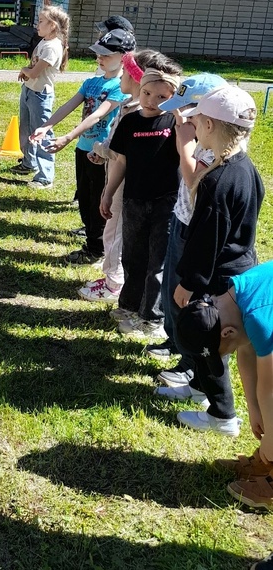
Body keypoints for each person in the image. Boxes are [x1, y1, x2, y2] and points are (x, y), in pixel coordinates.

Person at [166, 87, 264, 435]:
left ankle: (222, 414)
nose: (192, 125)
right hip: (238, 265)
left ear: (208, 125)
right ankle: (197, 388)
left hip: (216, 276)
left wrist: (189, 283)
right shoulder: (245, 168)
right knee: (205, 338)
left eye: (195, 121)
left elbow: (208, 240)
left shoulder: (219, 182)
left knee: (208, 338)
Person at [174, 280, 273, 570]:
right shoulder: (233, 297)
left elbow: (271, 386)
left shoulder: (257, 315)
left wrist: (271, 440)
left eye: (220, 352)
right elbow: (246, 348)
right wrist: (254, 408)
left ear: (225, 333)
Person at [78, 49, 180, 304]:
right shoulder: (131, 111)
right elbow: (119, 149)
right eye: (149, 94)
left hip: (139, 193)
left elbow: (118, 150)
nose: (120, 75)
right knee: (123, 238)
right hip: (123, 186)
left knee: (118, 235)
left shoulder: (155, 117)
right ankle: (119, 281)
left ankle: (114, 284)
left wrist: (101, 152)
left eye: (125, 71)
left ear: (136, 77)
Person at [31, 28, 134, 263]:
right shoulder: (91, 82)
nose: (101, 58)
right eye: (99, 53)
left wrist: (67, 137)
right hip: (83, 150)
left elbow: (97, 116)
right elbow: (69, 105)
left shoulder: (120, 87)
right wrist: (46, 126)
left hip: (102, 154)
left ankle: (97, 249)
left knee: (100, 203)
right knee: (86, 201)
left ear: (124, 57)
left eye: (107, 54)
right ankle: (92, 243)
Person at [151, 74, 229, 380]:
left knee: (189, 297)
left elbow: (193, 178)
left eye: (187, 111)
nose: (179, 116)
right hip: (181, 219)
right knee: (172, 289)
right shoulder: (200, 131)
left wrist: (184, 141)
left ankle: (191, 366)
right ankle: (176, 340)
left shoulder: (216, 144)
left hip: (197, 230)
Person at [99, 65, 181, 339]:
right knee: (134, 257)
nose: (151, 101)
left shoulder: (175, 123)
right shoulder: (130, 122)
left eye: (161, 96)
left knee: (158, 261)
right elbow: (120, 160)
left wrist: (180, 113)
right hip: (134, 200)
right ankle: (129, 306)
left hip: (166, 203)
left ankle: (153, 318)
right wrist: (109, 192)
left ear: (173, 97)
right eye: (146, 93)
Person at [12, 6, 70, 190]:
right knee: (26, 129)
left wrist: (24, 70)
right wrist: (26, 74)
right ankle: (29, 163)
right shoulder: (44, 42)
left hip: (40, 95)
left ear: (52, 25)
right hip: (29, 90)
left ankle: (45, 176)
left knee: (42, 132)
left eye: (41, 21)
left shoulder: (53, 47)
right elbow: (34, 65)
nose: (37, 25)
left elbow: (35, 73)